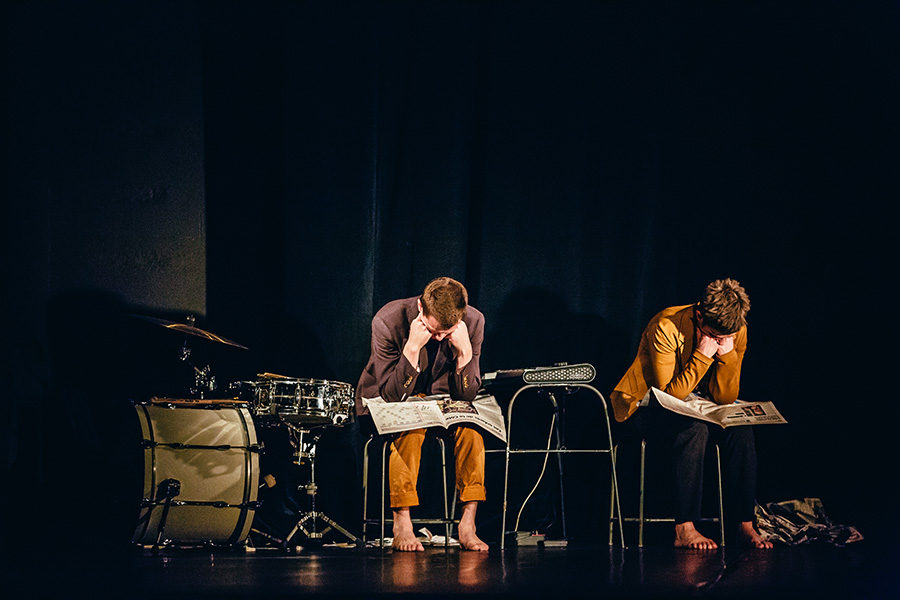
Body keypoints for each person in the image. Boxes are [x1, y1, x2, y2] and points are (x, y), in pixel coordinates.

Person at [610, 278, 773, 549]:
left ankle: (744, 524)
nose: (720, 342)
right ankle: (684, 528)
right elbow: (669, 397)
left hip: (698, 406)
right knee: (693, 428)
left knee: (741, 429)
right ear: (699, 316)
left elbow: (725, 397)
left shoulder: (737, 331)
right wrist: (703, 355)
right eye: (715, 336)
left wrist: (728, 356)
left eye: (725, 338)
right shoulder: (666, 325)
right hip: (645, 407)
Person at [356, 277, 489, 551]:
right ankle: (402, 523)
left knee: (472, 432)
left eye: (446, 332)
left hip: (444, 402)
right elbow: (392, 395)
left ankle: (468, 523)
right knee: (410, 428)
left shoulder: (474, 322)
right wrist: (412, 349)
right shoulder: (388, 320)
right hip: (394, 402)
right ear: (420, 307)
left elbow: (466, 395)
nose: (438, 338)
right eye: (432, 330)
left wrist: (464, 352)